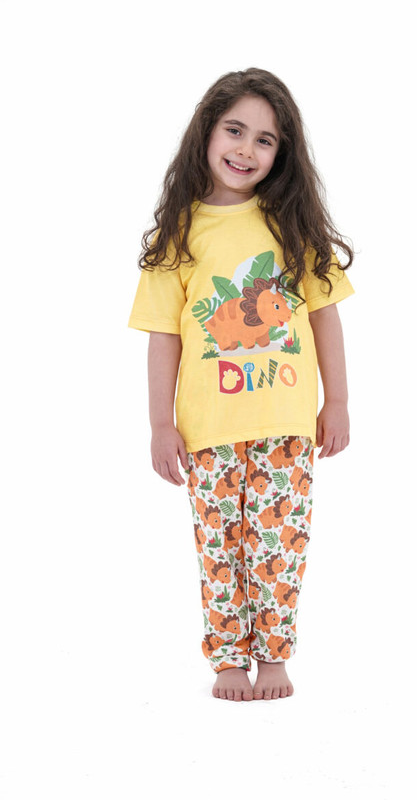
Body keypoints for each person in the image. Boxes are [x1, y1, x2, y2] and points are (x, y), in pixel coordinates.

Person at [128, 68, 356, 702]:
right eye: (235, 130)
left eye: (265, 140)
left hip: (286, 424)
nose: (246, 150)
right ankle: (228, 658)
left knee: (279, 545)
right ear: (206, 131)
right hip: (208, 431)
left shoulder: (292, 224)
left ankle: (274, 656)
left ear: (282, 153)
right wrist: (161, 424)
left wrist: (337, 401)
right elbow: (163, 336)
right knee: (219, 547)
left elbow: (325, 315)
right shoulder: (178, 234)